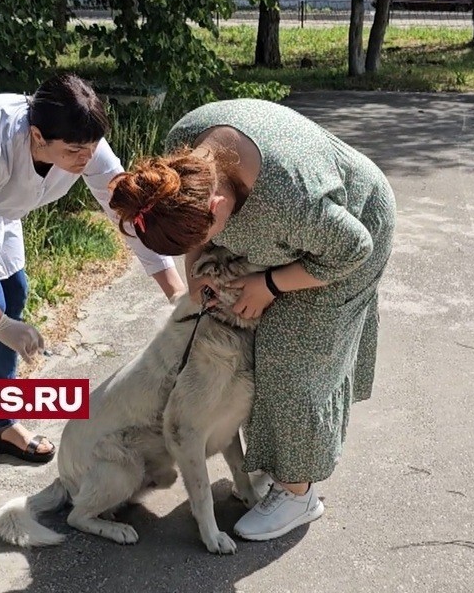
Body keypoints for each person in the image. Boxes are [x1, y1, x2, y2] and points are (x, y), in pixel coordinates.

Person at [108, 98, 396, 541]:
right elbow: (193, 238)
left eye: (207, 235)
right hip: (294, 235)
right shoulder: (182, 166)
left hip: (351, 235)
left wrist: (271, 285)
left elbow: (352, 248)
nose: (207, 244)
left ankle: (298, 494)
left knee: (291, 359)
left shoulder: (286, 200)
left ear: (218, 204)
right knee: (253, 351)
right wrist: (195, 276)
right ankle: (273, 463)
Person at [0, 73, 186, 488]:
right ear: (38, 136)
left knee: (15, 290)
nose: (86, 159)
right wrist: (0, 325)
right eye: (75, 151)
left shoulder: (83, 140)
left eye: (92, 149)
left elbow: (125, 214)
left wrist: (175, 291)